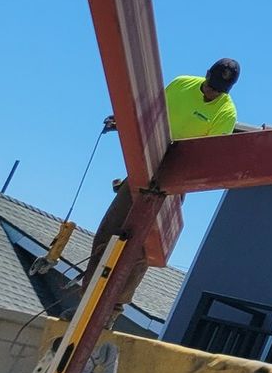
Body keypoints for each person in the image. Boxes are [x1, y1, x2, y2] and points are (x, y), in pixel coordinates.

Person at [84, 59, 242, 279]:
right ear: (206, 74)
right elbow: (149, 111)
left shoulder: (226, 112)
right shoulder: (181, 84)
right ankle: (90, 284)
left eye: (219, 90)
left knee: (143, 244)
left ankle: (116, 304)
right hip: (148, 163)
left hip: (177, 176)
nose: (213, 92)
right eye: (211, 85)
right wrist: (122, 120)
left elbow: (209, 155)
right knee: (112, 225)